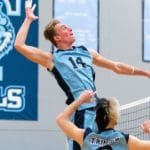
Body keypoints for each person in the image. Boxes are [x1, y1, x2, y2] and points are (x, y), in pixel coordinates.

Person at [14, 0, 150, 149]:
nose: (70, 29)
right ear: (57, 38)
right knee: (81, 145)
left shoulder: (87, 52)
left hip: (98, 109)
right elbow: (19, 45)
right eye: (64, 28)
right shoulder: (52, 59)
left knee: (109, 145)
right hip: (81, 108)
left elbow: (116, 66)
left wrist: (144, 72)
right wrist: (28, 19)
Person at [56, 90, 150, 150]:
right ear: (116, 120)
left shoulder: (85, 137)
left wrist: (80, 100)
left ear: (95, 119)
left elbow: (61, 119)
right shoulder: (126, 141)